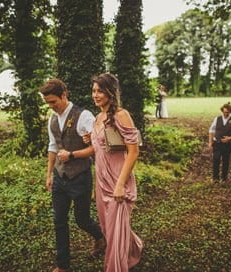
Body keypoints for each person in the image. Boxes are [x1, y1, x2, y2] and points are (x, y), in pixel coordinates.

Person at [40, 79, 106, 272]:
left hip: (80, 177)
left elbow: (96, 147)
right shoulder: (52, 119)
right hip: (60, 178)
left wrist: (72, 155)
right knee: (59, 220)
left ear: (64, 95)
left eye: (53, 102)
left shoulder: (83, 116)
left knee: (81, 219)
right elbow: (53, 147)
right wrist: (49, 174)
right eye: (47, 103)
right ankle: (63, 265)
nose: (51, 106)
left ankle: (100, 237)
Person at [87, 73, 144, 271]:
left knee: (115, 226)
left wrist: (120, 184)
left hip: (118, 178)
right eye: (94, 91)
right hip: (101, 179)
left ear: (111, 92)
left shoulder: (122, 115)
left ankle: (116, 267)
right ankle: (133, 247)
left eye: (100, 91)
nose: (95, 95)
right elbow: (99, 149)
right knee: (107, 227)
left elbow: (133, 151)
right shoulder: (98, 117)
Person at [209, 102, 231, 181]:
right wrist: (210, 142)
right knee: (216, 159)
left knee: (225, 161)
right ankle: (215, 178)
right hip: (217, 143)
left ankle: (224, 177)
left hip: (227, 144)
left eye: (227, 112)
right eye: (224, 112)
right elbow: (211, 130)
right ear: (222, 111)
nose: (225, 113)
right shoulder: (217, 119)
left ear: (230, 112)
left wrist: (230, 138)